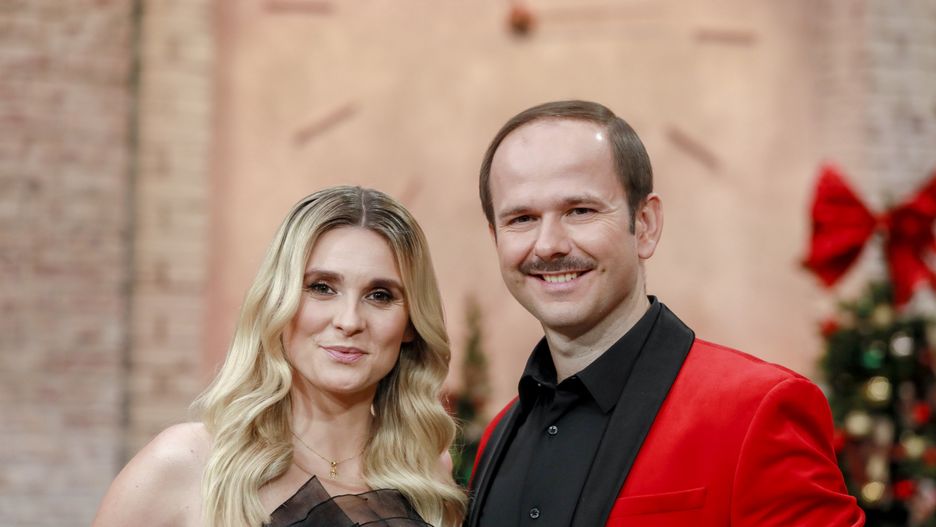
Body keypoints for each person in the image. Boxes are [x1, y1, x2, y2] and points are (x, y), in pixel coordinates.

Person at [465, 100, 865, 526]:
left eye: (580, 211)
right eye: (522, 218)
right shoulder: (498, 437)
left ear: (646, 224)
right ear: (495, 238)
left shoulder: (758, 411)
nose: (548, 245)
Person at [93, 186, 466, 527]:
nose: (350, 321)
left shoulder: (428, 474)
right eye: (322, 288)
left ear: (411, 323)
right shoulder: (186, 464)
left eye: (380, 295)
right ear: (278, 301)